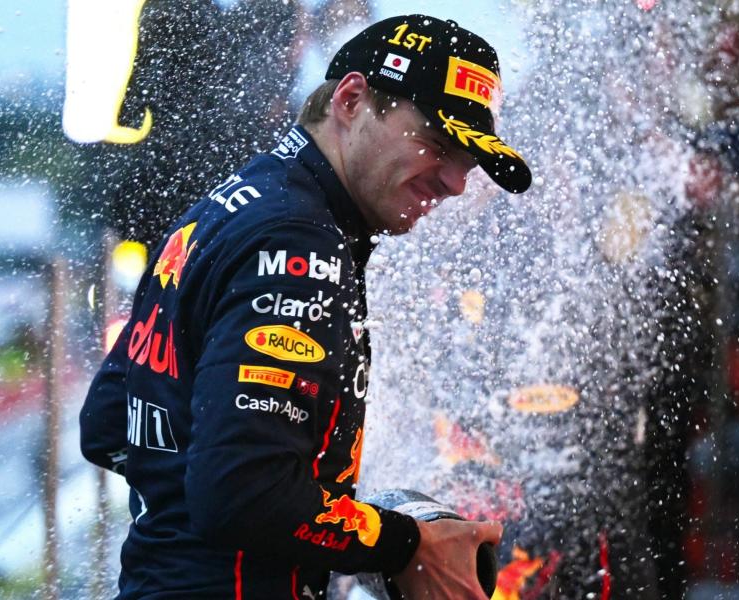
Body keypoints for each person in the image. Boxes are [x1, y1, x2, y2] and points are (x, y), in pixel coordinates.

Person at [79, 14, 531, 600]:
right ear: (351, 100)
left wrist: (202, 504)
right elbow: (242, 493)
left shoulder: (234, 203)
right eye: (437, 143)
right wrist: (405, 543)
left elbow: (111, 424)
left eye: (467, 164)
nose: (454, 183)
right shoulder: (298, 242)